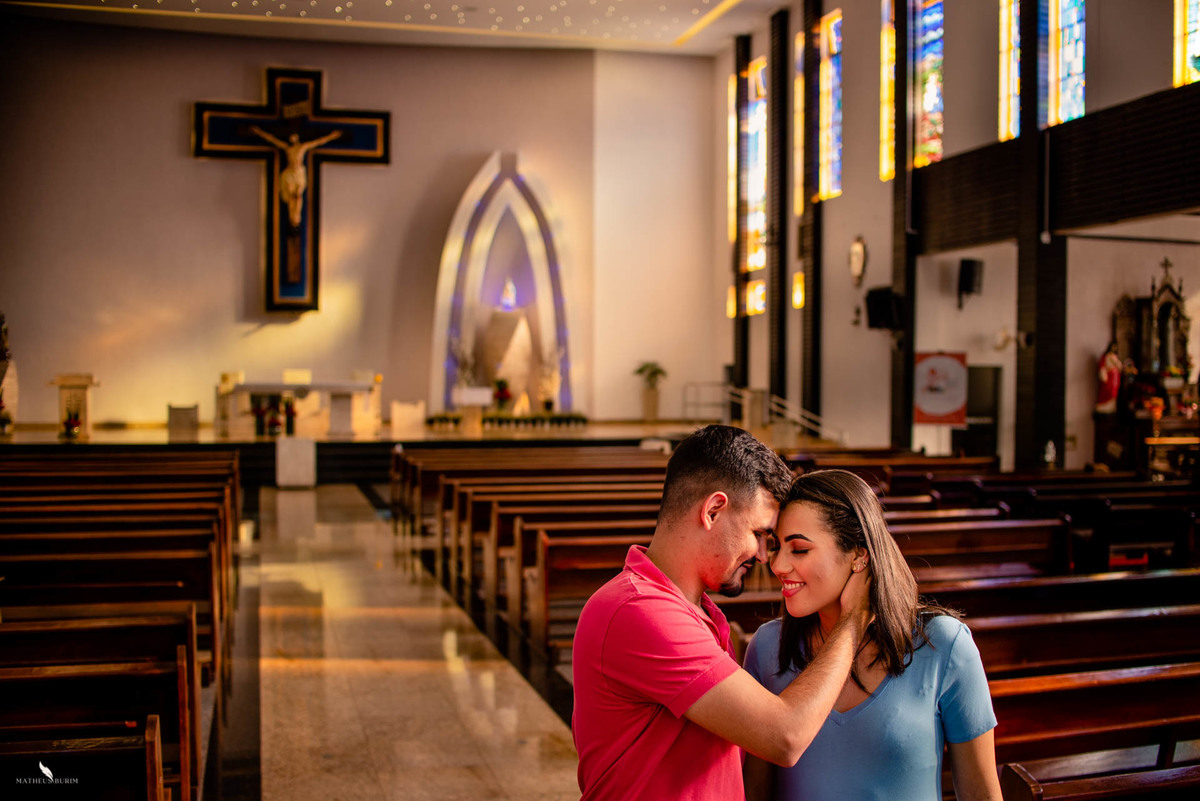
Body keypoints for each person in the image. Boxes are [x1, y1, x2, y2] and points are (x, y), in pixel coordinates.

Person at [572, 425, 872, 801]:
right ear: (713, 510)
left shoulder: (694, 611)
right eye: (760, 534)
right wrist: (853, 619)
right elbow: (785, 736)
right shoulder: (640, 611)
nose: (765, 556)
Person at [742, 469, 1002, 801]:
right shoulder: (766, 647)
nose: (777, 565)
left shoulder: (944, 645)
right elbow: (754, 794)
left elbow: (981, 795)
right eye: (777, 547)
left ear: (859, 555)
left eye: (800, 550)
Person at [249, 126, 341, 228]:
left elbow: (318, 142)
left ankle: (296, 217)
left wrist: (332, 136)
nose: (292, 138)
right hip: (290, 173)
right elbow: (272, 139)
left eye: (294, 136)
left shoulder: (303, 147)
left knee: (298, 196)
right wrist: (259, 132)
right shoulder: (287, 148)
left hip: (299, 174)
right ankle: (292, 217)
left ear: (298, 138)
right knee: (291, 196)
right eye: (291, 137)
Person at [1096, 340, 1122, 413]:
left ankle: (1111, 406)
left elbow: (1119, 366)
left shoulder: (1114, 357)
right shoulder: (1106, 356)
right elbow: (1102, 367)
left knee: (1113, 392)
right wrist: (1104, 376)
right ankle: (1104, 406)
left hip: (1114, 376)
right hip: (1109, 376)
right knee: (1107, 390)